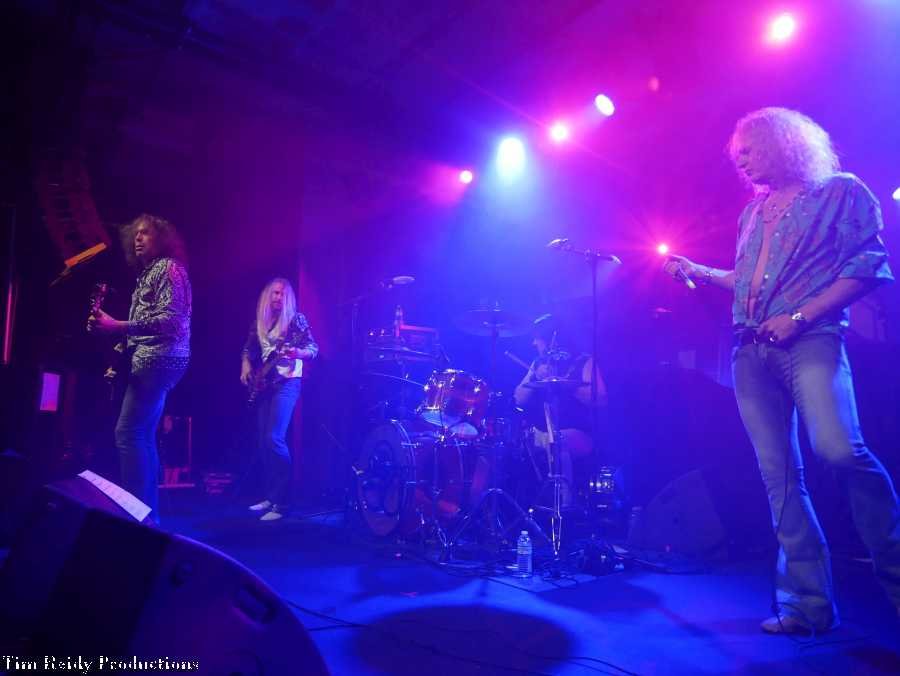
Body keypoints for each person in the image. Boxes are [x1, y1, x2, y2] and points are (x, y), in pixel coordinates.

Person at [664, 107, 899, 634]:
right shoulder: (754, 212)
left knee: (839, 450)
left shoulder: (840, 191)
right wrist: (699, 271)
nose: (741, 161)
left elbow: (868, 267)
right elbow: (749, 282)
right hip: (751, 353)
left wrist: (800, 317)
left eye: (749, 149)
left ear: (782, 142)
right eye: (738, 155)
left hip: (812, 340)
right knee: (781, 481)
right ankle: (806, 606)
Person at [88, 214, 191, 524]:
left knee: (129, 433)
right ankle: (148, 517)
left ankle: (138, 518)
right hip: (156, 359)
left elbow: (171, 322)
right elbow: (146, 326)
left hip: (157, 359)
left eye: (146, 233)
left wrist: (116, 325)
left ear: (161, 239)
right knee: (142, 435)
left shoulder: (167, 268)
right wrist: (113, 337)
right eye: (135, 233)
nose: (138, 238)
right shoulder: (150, 273)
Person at [240, 278, 318, 521]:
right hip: (265, 384)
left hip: (288, 383)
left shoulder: (296, 320)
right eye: (274, 293)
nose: (278, 298)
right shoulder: (260, 321)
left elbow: (313, 348)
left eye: (282, 294)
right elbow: (248, 348)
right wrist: (245, 366)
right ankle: (271, 496)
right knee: (264, 441)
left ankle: (283, 503)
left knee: (275, 438)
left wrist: (298, 352)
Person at [513, 314, 607, 504]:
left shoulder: (584, 361)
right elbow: (518, 399)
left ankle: (563, 503)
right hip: (540, 432)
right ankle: (525, 505)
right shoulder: (538, 364)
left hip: (577, 434)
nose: (533, 343)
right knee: (514, 444)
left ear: (552, 341)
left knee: (557, 441)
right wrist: (535, 377)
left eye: (537, 338)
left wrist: (565, 384)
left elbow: (601, 398)